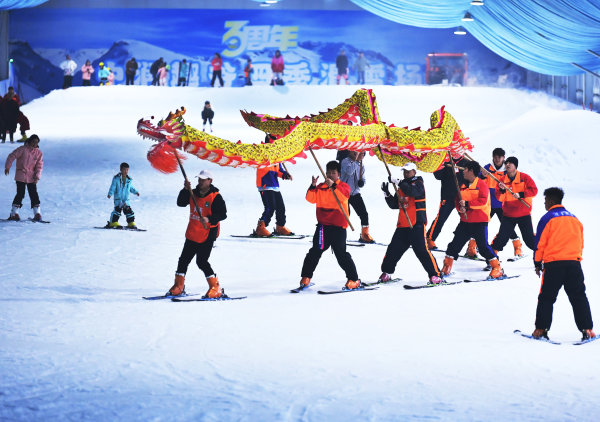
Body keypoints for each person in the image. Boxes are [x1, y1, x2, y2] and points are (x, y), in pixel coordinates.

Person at [531, 187, 595, 341]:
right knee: (579, 297)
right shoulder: (574, 218)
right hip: (574, 264)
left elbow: (539, 243)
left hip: (554, 265)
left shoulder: (547, 218)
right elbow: (580, 242)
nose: (545, 203)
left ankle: (540, 330)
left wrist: (537, 262)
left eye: (545, 200)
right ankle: (587, 330)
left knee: (546, 298)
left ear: (551, 200)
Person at [297, 160, 361, 290]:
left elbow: (344, 197)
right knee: (315, 252)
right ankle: (306, 277)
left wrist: (334, 186)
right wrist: (313, 186)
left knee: (341, 255)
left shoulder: (343, 186)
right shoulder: (321, 187)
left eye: (333, 173)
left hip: (338, 227)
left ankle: (354, 279)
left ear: (339, 174)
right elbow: (310, 199)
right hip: (323, 227)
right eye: (328, 173)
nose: (330, 175)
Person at [166, 169, 228, 299]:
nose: (200, 182)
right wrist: (185, 189)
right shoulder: (192, 192)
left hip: (208, 233)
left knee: (202, 261)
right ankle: (178, 286)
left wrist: (209, 219)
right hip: (193, 232)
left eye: (203, 180)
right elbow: (180, 203)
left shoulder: (216, 196)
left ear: (210, 181)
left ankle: (215, 287)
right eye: (199, 179)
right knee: (183, 260)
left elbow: (223, 214)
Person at [378, 162, 442, 284]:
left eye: (409, 171)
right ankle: (387, 272)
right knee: (393, 250)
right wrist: (387, 194)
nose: (406, 173)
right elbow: (394, 205)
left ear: (414, 172)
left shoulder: (418, 183)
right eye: (404, 171)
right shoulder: (402, 186)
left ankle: (435, 275)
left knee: (422, 251)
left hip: (416, 225)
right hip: (403, 225)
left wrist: (399, 182)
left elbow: (412, 192)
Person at [440, 160, 504, 279]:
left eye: (465, 169)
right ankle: (447, 266)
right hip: (465, 221)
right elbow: (457, 200)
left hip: (480, 221)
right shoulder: (462, 185)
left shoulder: (481, 185)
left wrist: (467, 204)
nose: (463, 171)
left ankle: (497, 267)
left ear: (471, 171)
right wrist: (460, 209)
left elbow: (483, 201)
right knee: (454, 245)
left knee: (483, 247)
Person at [490, 156, 538, 255]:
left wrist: (521, 194)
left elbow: (534, 191)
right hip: (508, 215)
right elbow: (499, 198)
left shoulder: (525, 177)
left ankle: (544, 256)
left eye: (510, 163)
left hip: (524, 214)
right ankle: (492, 258)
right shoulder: (502, 180)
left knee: (530, 240)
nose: (507, 164)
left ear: (515, 166)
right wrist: (502, 190)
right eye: (506, 163)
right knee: (501, 239)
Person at [426, 154, 469, 251]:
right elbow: (438, 176)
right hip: (447, 196)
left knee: (468, 220)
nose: (457, 152)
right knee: (441, 218)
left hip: (462, 198)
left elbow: (473, 179)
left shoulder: (466, 163)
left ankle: (471, 246)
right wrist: (438, 166)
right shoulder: (445, 161)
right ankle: (429, 239)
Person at [254, 135, 293, 237]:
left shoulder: (276, 156)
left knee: (281, 207)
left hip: (274, 185)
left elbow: (279, 170)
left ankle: (280, 226)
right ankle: (261, 227)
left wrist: (285, 175)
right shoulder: (262, 153)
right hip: (265, 184)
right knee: (270, 207)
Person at [484, 148, 520, 255]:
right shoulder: (487, 168)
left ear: (504, 157)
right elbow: (479, 183)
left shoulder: (508, 170)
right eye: (495, 157)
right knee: (480, 226)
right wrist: (482, 175)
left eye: (499, 157)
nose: (497, 159)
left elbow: (515, 184)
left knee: (507, 228)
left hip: (502, 205)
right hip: (488, 204)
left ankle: (518, 247)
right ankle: (472, 248)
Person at [4, 134, 43, 221]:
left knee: (34, 194)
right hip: (21, 175)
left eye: (36, 142)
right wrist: (7, 167)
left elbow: (39, 166)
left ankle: (37, 213)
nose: (35, 144)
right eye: (33, 142)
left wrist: (37, 176)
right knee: (20, 193)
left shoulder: (38, 153)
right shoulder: (22, 149)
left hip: (32, 177)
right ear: (29, 141)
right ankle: (14, 213)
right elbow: (12, 156)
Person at [341, 150, 374, 243]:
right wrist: (355, 161)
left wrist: (362, 182)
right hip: (344, 194)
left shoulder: (361, 166)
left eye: (362, 153)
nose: (360, 155)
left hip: (355, 194)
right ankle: (340, 235)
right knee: (345, 215)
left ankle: (364, 235)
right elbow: (349, 171)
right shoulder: (345, 161)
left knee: (364, 214)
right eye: (357, 152)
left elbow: (363, 178)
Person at [106, 162, 140, 228]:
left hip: (126, 199)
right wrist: (110, 194)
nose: (126, 171)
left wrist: (136, 192)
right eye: (124, 169)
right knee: (117, 210)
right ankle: (113, 222)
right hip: (118, 199)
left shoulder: (128, 180)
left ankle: (131, 222)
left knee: (128, 210)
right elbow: (113, 187)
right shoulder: (116, 179)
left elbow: (130, 187)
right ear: (121, 169)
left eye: (127, 170)